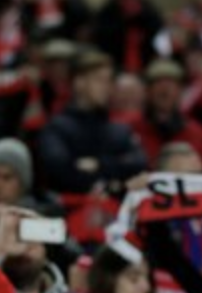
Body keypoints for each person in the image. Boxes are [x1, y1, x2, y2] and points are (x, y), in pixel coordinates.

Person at [37, 50, 148, 194]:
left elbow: (139, 163)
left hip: (115, 206)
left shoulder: (118, 129)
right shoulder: (57, 128)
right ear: (79, 83)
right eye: (100, 80)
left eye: (110, 81)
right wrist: (116, 176)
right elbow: (60, 172)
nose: (108, 87)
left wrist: (99, 164)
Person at [130, 59, 202, 169]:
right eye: (158, 85)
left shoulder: (196, 133)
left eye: (170, 85)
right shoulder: (133, 130)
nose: (165, 91)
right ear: (147, 91)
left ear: (181, 91)